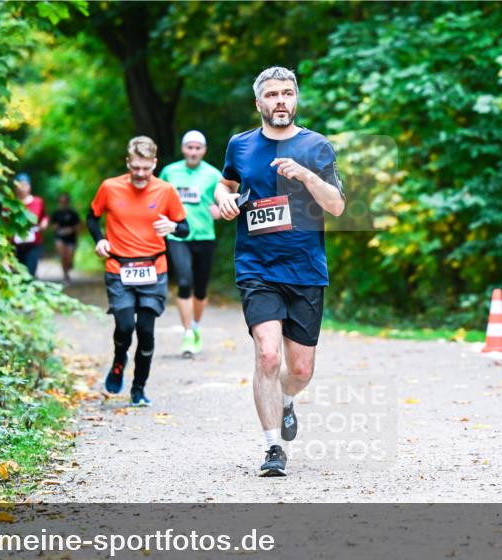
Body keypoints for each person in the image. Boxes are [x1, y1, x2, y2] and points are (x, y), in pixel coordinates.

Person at [215, 66, 345, 477]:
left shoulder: (316, 146)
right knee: (267, 355)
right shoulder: (240, 145)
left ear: (296, 99)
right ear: (259, 103)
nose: (281, 101)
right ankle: (273, 448)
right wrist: (225, 201)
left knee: (300, 369)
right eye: (272, 95)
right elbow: (225, 186)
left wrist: (305, 174)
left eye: (287, 93)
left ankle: (287, 399)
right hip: (257, 266)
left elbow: (337, 206)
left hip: (305, 269)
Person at [87, 136, 190, 407]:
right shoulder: (110, 187)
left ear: (154, 164)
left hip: (153, 269)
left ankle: (139, 388)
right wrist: (99, 239)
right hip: (118, 267)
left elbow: (184, 227)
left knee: (145, 331)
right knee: (125, 326)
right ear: (128, 163)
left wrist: (172, 227)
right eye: (135, 168)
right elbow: (91, 216)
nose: (141, 174)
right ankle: (120, 359)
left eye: (146, 168)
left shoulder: (166, 190)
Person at [160, 130, 223, 357]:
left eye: (198, 148)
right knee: (184, 281)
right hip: (177, 235)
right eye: (190, 147)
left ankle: (195, 326)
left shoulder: (214, 174)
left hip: (205, 235)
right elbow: (158, 198)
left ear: (204, 150)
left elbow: (228, 200)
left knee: (201, 288)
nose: (193, 152)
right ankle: (188, 333)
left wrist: (221, 211)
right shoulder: (169, 172)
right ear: (183, 148)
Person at [11, 173, 47, 277]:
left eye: (25, 185)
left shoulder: (38, 202)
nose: (22, 188)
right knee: (17, 272)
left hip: (33, 243)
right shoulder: (10, 203)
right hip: (15, 244)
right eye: (19, 185)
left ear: (29, 187)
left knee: (30, 271)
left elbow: (44, 216)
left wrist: (44, 223)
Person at [51, 193, 82, 285]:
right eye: (61, 201)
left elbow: (79, 226)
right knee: (63, 255)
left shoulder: (73, 213)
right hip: (59, 238)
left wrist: (71, 229)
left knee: (69, 257)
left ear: (67, 202)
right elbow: (52, 226)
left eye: (65, 201)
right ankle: (65, 275)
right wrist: (55, 227)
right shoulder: (56, 213)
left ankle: (69, 266)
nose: (63, 203)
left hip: (71, 239)